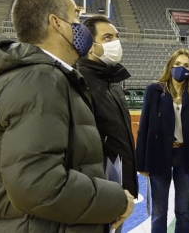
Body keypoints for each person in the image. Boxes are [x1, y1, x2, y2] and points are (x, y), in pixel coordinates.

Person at [0, 0, 134, 233]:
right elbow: (37, 184)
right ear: (56, 22)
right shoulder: (39, 79)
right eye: (75, 18)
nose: (81, 27)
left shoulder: (37, 76)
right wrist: (116, 200)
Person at [76, 15, 139, 233]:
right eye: (107, 37)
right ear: (90, 45)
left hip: (116, 184)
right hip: (97, 190)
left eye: (117, 37)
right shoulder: (78, 81)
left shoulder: (111, 81)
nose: (115, 43)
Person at [136, 48, 189, 233]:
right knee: (159, 211)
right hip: (159, 154)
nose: (181, 68)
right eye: (177, 64)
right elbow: (144, 127)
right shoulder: (154, 90)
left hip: (187, 155)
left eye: (186, 65)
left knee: (183, 210)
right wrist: (142, 163)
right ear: (170, 66)